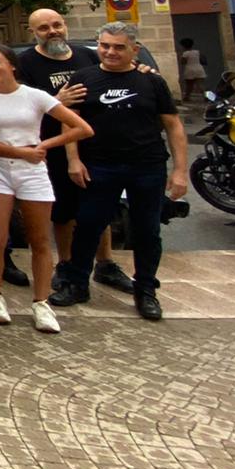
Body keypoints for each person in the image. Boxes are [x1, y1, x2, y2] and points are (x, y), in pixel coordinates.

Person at [52, 23, 190, 320]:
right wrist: (73, 161)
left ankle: (146, 291)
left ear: (134, 50)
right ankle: (77, 283)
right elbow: (70, 120)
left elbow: (174, 126)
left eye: (118, 47)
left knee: (147, 232)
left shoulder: (152, 82)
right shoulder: (84, 79)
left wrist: (180, 171)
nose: (110, 52)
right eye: (104, 46)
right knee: (88, 225)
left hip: (147, 166)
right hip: (99, 166)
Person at [0, 43, 93, 332]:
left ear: (12, 64)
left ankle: (41, 302)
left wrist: (43, 146)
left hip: (33, 169)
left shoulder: (35, 96)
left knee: (40, 239)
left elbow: (82, 128)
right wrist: (20, 153)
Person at [18, 8, 131, 296]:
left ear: (65, 25)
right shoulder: (26, 63)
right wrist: (56, 101)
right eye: (44, 28)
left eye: (57, 25)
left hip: (94, 145)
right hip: (52, 146)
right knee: (64, 211)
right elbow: (20, 106)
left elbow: (116, 77)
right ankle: (66, 265)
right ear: (34, 33)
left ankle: (105, 263)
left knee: (100, 208)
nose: (52, 31)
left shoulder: (87, 55)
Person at [178, 37, 209, 101]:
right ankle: (208, 97)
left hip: (190, 69)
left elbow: (183, 62)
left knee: (189, 85)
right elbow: (202, 59)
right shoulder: (197, 52)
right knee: (201, 85)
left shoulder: (185, 53)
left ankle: (187, 97)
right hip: (199, 68)